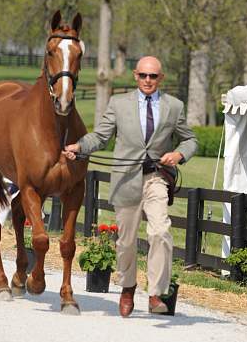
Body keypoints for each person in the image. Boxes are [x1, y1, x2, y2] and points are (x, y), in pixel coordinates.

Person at [64, 56, 197, 317]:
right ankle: (128, 287)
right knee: (125, 242)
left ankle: (156, 293)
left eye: (154, 76)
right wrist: (79, 147)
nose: (148, 80)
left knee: (160, 231)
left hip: (157, 177)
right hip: (125, 180)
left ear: (161, 78)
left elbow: (190, 140)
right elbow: (101, 136)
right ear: (136, 76)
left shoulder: (174, 106)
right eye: (144, 75)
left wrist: (179, 155)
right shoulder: (118, 103)